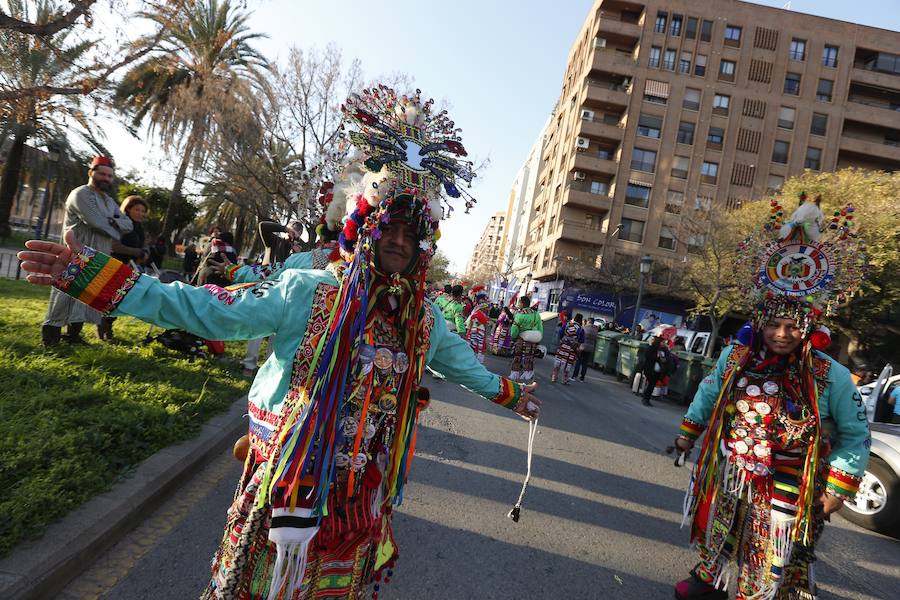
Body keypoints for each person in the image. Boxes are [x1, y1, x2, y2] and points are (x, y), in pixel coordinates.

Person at [19, 86, 540, 600]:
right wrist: (98, 277)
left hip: (360, 496)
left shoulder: (421, 319)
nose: (399, 240)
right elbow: (208, 310)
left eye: (411, 230)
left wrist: (511, 395)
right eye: (389, 226)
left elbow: (461, 366)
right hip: (286, 478)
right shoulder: (306, 288)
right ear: (364, 228)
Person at [672, 193, 869, 600]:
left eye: (792, 327)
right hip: (734, 468)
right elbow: (709, 393)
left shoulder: (829, 375)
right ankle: (710, 578)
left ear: (809, 327)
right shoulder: (737, 356)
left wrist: (837, 488)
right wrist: (688, 434)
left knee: (776, 554)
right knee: (723, 527)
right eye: (774, 325)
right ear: (760, 322)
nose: (782, 334)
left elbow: (854, 434)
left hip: (793, 483)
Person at [41, 156, 133, 346]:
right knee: (64, 293)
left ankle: (73, 336)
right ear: (91, 173)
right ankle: (50, 339)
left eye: (109, 176)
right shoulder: (80, 194)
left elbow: (128, 224)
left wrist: (113, 221)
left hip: (99, 255)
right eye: (102, 174)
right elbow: (96, 222)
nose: (106, 178)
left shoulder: (108, 201)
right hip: (75, 252)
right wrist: (113, 225)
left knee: (87, 292)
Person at [102, 195, 151, 340]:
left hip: (131, 268)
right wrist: (137, 252)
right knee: (112, 299)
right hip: (116, 265)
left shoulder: (140, 228)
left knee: (121, 299)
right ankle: (105, 328)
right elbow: (115, 246)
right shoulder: (122, 225)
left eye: (143, 211)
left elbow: (142, 245)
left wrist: (145, 252)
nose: (140, 214)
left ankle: (107, 325)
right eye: (137, 210)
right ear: (128, 209)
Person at [510, 295, 543, 382]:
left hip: (521, 339)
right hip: (532, 340)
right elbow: (540, 327)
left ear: (522, 303)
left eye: (519, 302)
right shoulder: (536, 314)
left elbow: (514, 329)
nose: (519, 304)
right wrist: (538, 338)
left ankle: (515, 377)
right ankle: (528, 379)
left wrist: (513, 337)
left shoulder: (520, 314)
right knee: (529, 358)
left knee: (517, 357)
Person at [640, 336, 671, 406]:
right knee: (651, 385)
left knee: (652, 385)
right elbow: (648, 356)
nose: (664, 343)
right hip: (650, 370)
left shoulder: (664, 350)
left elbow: (667, 358)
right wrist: (657, 358)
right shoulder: (652, 348)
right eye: (662, 342)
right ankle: (645, 398)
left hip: (658, 371)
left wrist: (665, 358)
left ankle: (646, 398)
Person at [552, 316, 583, 385]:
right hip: (572, 348)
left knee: (558, 361)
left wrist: (561, 339)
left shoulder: (567, 324)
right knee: (567, 364)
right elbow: (581, 340)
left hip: (563, 345)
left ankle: (554, 377)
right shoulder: (580, 328)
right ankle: (564, 380)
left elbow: (560, 332)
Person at [464, 292, 490, 363]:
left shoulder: (479, 311)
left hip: (477, 329)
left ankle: (473, 360)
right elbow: (472, 320)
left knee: (475, 345)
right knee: (474, 345)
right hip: (476, 329)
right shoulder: (477, 311)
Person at [572, 317, 599, 381]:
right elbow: (596, 339)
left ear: (589, 321)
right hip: (590, 348)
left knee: (578, 361)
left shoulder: (584, 328)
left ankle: (574, 376)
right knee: (585, 363)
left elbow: (579, 336)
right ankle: (582, 378)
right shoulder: (596, 330)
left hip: (582, 347)